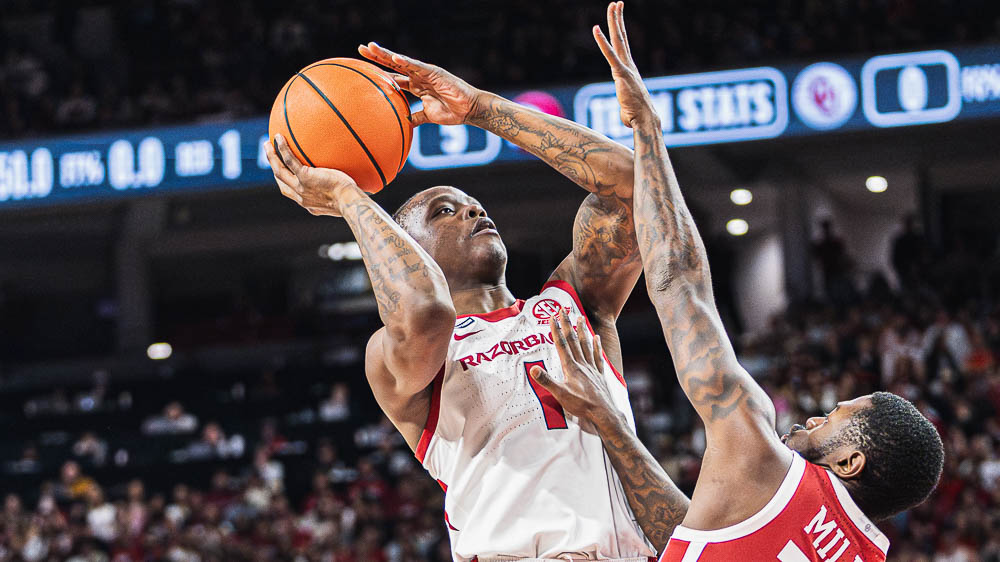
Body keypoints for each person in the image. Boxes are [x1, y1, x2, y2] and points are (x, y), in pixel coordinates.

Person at [529, 4, 945, 560]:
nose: (818, 414)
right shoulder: (859, 552)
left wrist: (647, 128)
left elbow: (680, 283)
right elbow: (695, 535)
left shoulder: (760, 450)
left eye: (835, 417)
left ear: (850, 463)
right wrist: (608, 422)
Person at [265, 28, 655, 561]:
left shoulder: (573, 301)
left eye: (472, 204)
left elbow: (635, 189)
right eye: (444, 211)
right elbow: (427, 310)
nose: (473, 211)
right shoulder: (395, 356)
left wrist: (481, 109)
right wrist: (348, 196)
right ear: (409, 249)